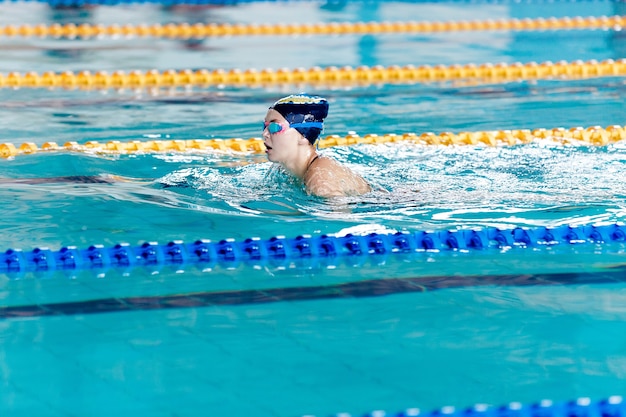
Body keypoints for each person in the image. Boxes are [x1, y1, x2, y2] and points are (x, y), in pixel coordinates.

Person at [263, 94, 372, 198]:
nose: (265, 134)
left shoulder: (320, 181)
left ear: (303, 136)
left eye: (274, 127)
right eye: (265, 126)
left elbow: (341, 214)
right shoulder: (282, 170)